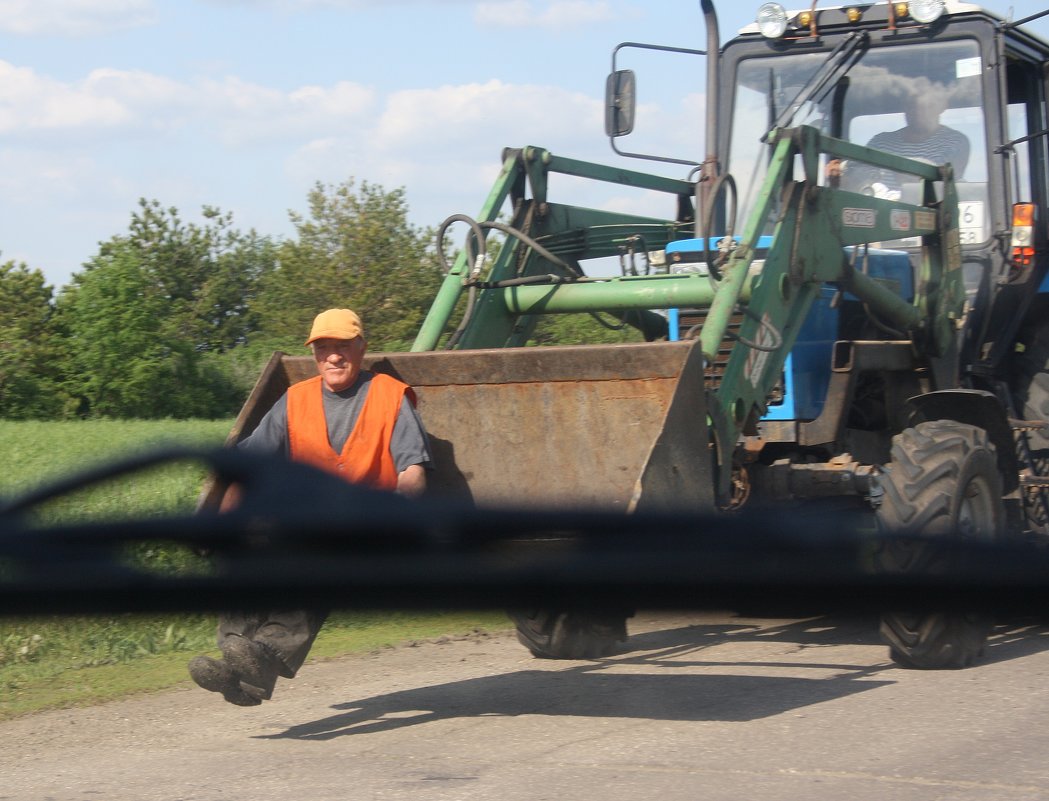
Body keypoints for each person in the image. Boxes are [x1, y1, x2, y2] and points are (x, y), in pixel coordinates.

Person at [188, 308, 433, 706]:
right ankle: (238, 662)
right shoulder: (294, 400)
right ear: (314, 354)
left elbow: (412, 471)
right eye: (323, 348)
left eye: (342, 347)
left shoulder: (390, 396)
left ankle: (263, 658)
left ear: (361, 348)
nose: (333, 357)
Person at [835, 82, 969, 199]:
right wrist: (841, 172)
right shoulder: (881, 142)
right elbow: (858, 175)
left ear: (942, 106)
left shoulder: (955, 142)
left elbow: (942, 186)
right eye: (912, 104)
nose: (918, 111)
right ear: (904, 107)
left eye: (927, 105)